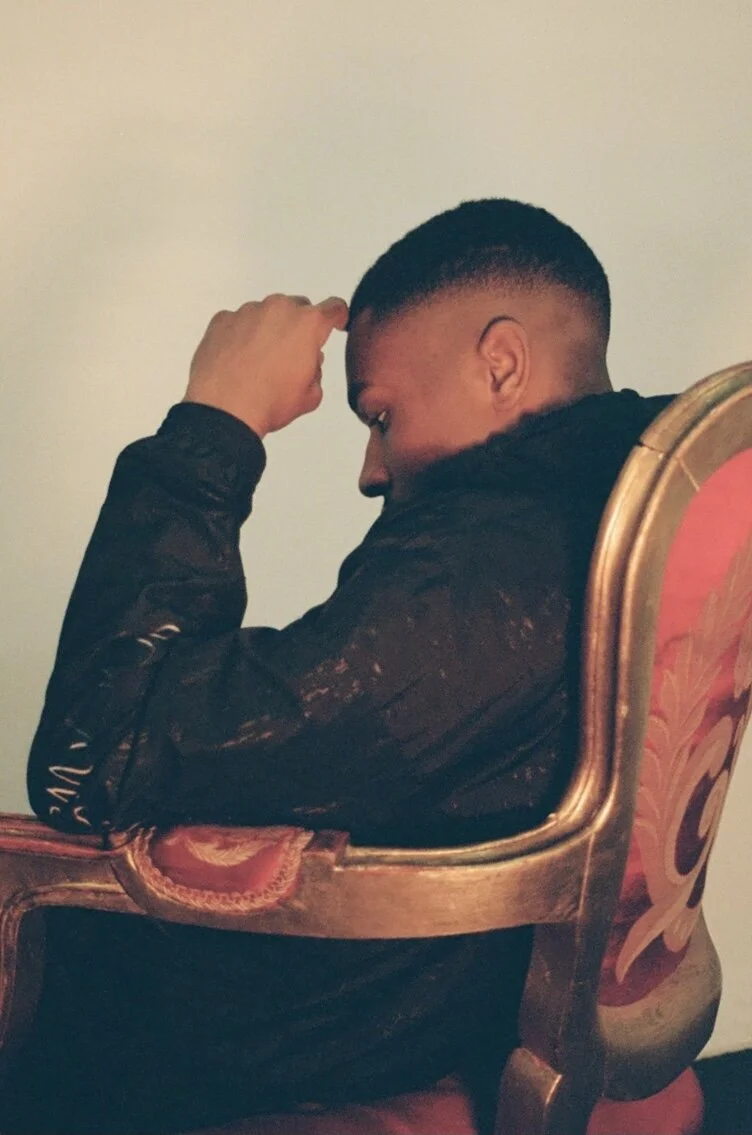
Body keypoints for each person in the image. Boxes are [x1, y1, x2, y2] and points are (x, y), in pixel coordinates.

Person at [5, 199, 673, 1134]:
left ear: (502, 363)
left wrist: (216, 418)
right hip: (470, 980)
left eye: (381, 416)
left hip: (315, 1025)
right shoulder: (642, 498)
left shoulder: (486, 571)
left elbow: (92, 756)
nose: (370, 468)